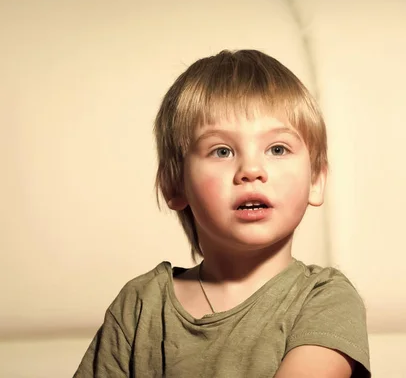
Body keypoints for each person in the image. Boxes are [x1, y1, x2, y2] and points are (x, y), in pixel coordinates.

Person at [74, 49, 370, 377]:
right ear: (175, 185)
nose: (251, 170)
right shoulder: (140, 305)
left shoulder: (325, 299)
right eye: (222, 151)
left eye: (277, 149)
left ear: (316, 180)